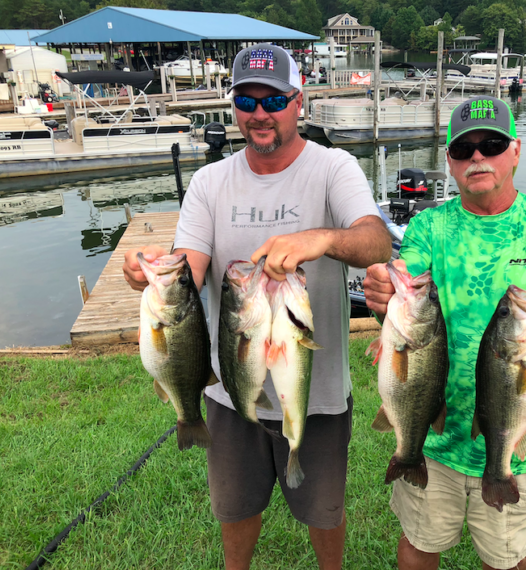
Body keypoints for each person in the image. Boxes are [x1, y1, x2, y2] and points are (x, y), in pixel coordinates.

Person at [122, 44, 392, 570]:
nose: (259, 113)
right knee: (235, 507)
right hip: (230, 385)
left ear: (299, 102)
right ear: (234, 108)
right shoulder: (210, 182)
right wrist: (152, 273)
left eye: (273, 100)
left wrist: (320, 238)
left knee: (324, 511)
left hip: (316, 390)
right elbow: (189, 265)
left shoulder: (334, 168)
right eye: (246, 101)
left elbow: (376, 241)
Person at [363, 96, 526, 570]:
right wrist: (385, 285)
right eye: (464, 149)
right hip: (433, 435)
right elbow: (406, 279)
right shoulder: (429, 225)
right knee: (418, 545)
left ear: (516, 150)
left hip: (517, 437)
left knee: (507, 559)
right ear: (450, 160)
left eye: (492, 145)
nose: (478, 157)